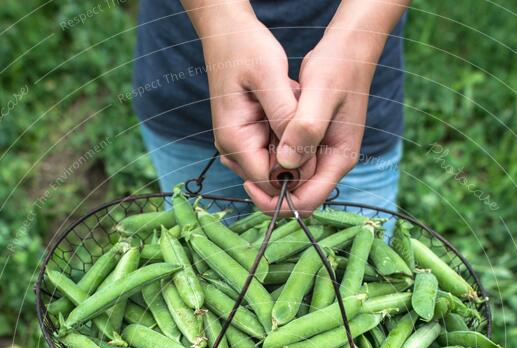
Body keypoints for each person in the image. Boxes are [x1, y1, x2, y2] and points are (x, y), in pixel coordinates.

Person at [133, 0, 409, 215]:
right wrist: (220, 21)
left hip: (351, 112)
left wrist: (358, 42)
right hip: (188, 87)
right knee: (200, 252)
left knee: (362, 261)